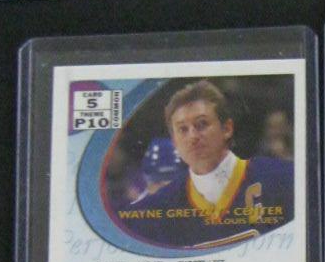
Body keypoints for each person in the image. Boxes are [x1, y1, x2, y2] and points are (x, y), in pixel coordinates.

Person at [117, 80, 294, 248]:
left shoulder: (284, 178)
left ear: (227, 129)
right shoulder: (155, 208)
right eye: (183, 129)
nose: (193, 136)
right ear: (174, 141)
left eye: (202, 124)